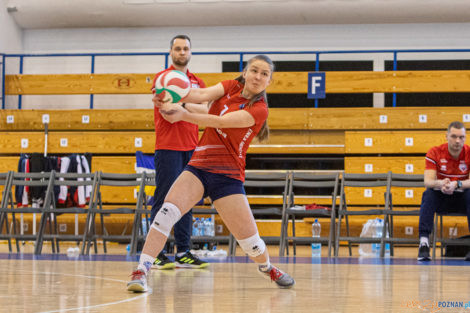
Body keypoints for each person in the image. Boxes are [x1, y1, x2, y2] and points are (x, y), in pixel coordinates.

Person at [127, 54, 295, 292]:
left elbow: (221, 121)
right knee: (165, 213)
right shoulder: (230, 86)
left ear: (269, 81)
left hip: (228, 178)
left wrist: (183, 114)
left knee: (251, 244)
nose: (258, 76)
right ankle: (141, 270)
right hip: (199, 167)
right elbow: (200, 95)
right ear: (245, 72)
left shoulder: (259, 109)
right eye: (254, 70)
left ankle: (267, 267)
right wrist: (169, 93)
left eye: (264, 74)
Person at [150, 35, 208, 270]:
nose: (182, 52)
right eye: (177, 49)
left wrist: (182, 104)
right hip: (168, 147)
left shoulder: (197, 82)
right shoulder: (162, 79)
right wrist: (185, 104)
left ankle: (183, 251)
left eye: (185, 49)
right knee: (164, 198)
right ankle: (156, 252)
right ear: (171, 52)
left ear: (190, 52)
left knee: (187, 199)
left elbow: (204, 109)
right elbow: (166, 109)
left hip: (191, 147)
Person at [417, 121, 470, 261]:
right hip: (442, 198)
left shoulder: (469, 152)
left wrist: (457, 184)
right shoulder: (435, 152)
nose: (457, 141)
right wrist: (440, 183)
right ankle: (423, 243)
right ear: (446, 136)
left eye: (461, 137)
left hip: (463, 199)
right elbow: (428, 181)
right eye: (453, 136)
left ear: (465, 138)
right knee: (428, 194)